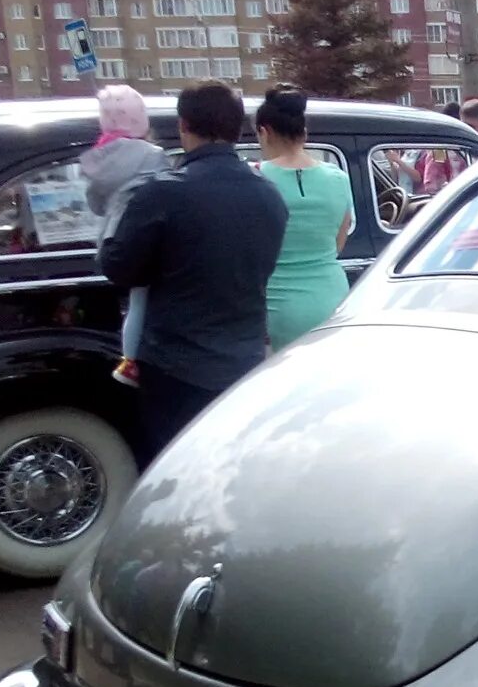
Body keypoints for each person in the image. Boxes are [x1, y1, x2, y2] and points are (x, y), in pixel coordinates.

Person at [101, 82, 288, 463]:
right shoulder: (269, 196)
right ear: (240, 129)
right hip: (244, 359)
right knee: (231, 466)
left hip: (176, 367)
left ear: (184, 125)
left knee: (173, 468)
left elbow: (119, 267)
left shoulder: (160, 193)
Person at [254, 85, 355, 352]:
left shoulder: (256, 177)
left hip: (276, 308)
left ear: (264, 132)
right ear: (305, 133)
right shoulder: (338, 178)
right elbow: (338, 244)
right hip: (333, 300)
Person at [80, 84, 167, 388]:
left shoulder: (97, 158)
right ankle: (131, 361)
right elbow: (162, 191)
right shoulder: (152, 156)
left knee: (134, 302)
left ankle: (129, 359)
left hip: (110, 237)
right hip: (142, 233)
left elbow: (94, 203)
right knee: (142, 298)